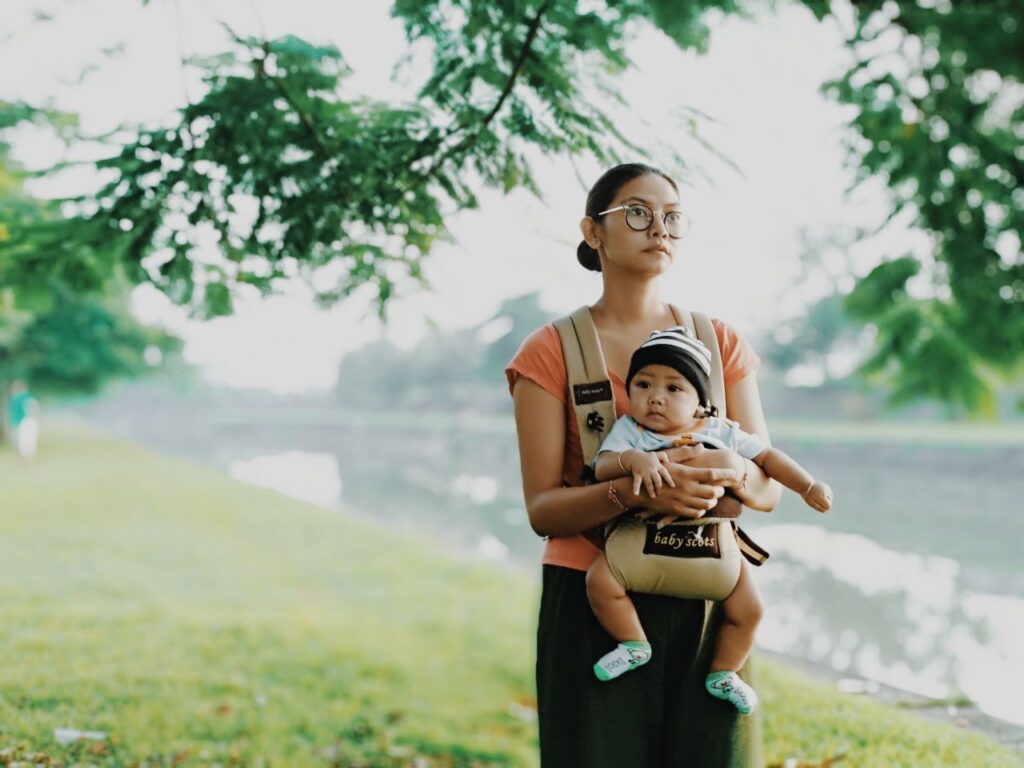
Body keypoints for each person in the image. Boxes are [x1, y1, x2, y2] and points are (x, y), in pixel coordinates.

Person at [506, 162, 781, 766]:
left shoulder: (720, 343)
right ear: (593, 231)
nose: (658, 227)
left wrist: (725, 473)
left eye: (672, 217)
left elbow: (765, 488)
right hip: (591, 598)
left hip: (710, 597)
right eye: (637, 212)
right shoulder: (550, 351)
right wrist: (637, 492)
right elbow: (542, 509)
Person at [587, 325, 833, 715]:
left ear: (701, 401)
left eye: (673, 388)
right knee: (599, 582)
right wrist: (633, 460)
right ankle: (633, 643)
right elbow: (600, 466)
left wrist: (806, 486)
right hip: (639, 542)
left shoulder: (722, 432)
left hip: (712, 542)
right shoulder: (630, 433)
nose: (655, 398)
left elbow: (767, 458)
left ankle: (724, 672)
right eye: (643, 385)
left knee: (750, 609)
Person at [8, 380, 40, 459]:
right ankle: (26, 458)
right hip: (26, 421)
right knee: (26, 441)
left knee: (26, 441)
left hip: (25, 421)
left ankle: (27, 459)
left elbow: (33, 410)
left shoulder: (24, 398)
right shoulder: (22, 398)